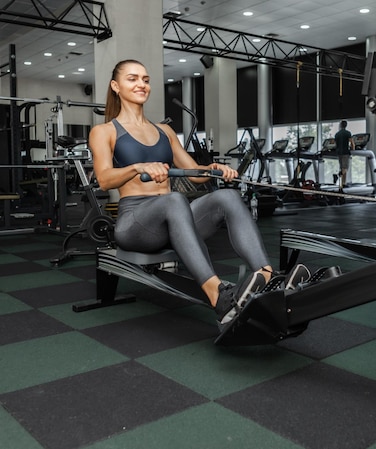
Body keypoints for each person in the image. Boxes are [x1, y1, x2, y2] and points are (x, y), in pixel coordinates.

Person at [89, 59, 308, 326]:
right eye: (132, 79)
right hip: (135, 224)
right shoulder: (104, 131)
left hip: (173, 219)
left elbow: (193, 173)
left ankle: (266, 277)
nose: (141, 85)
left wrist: (212, 169)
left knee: (227, 196)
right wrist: (137, 167)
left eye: (145, 80)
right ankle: (218, 296)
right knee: (174, 200)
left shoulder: (165, 131)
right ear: (116, 86)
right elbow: (104, 180)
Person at [334, 120, 354, 189]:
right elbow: (352, 142)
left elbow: (336, 144)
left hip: (339, 153)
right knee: (345, 168)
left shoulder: (337, 134)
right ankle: (338, 175)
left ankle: (343, 183)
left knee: (342, 167)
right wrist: (353, 148)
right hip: (345, 152)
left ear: (340, 125)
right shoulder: (348, 133)